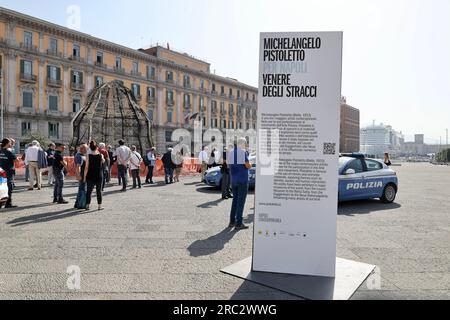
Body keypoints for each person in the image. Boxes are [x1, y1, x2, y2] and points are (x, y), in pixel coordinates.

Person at [228, 138, 252, 230]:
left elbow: (229, 165)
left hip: (234, 179)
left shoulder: (231, 152)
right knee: (241, 202)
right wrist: (250, 165)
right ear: (243, 144)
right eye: (246, 143)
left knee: (235, 200)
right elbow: (247, 165)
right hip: (242, 179)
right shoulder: (242, 152)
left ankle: (232, 221)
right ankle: (239, 223)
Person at [83, 141, 105, 211]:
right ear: (97, 148)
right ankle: (99, 206)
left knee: (89, 191)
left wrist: (84, 177)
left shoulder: (88, 156)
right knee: (99, 191)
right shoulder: (101, 155)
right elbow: (103, 162)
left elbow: (86, 167)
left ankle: (87, 205)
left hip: (90, 175)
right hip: (99, 175)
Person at [0, 138, 18, 208]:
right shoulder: (9, 152)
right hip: (9, 172)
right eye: (10, 143)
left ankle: (3, 202)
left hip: (1, 172)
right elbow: (16, 160)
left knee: (2, 187)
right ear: (7, 143)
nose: (11, 144)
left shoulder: (0, 151)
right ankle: (8, 203)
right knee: (9, 187)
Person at [74, 144, 87, 209]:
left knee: (81, 189)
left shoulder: (81, 155)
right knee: (82, 189)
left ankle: (77, 204)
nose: (86, 150)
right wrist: (78, 175)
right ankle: (81, 204)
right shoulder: (79, 156)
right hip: (82, 175)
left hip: (82, 174)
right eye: (86, 149)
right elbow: (78, 167)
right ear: (82, 149)